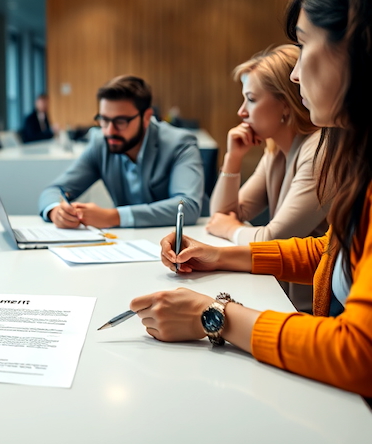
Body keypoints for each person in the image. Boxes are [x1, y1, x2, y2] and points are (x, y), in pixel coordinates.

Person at [131, 0, 372, 397]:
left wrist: (214, 315)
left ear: (359, 50)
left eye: (305, 43)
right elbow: (332, 253)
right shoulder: (322, 155)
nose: (296, 74)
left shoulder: (325, 152)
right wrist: (220, 254)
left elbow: (359, 353)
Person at [208, 44, 329, 311]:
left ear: (285, 105)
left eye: (251, 99)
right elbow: (220, 212)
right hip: (279, 296)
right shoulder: (275, 149)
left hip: (316, 311)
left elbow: (271, 241)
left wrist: (229, 228)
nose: (241, 111)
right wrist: (233, 159)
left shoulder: (320, 150)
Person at [38, 75, 204, 228]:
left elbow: (187, 207)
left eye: (121, 121)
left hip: (184, 244)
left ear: (146, 117)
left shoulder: (179, 143)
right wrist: (56, 211)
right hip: (127, 245)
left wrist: (114, 217)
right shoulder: (101, 143)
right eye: (104, 120)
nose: (110, 131)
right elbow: (53, 190)